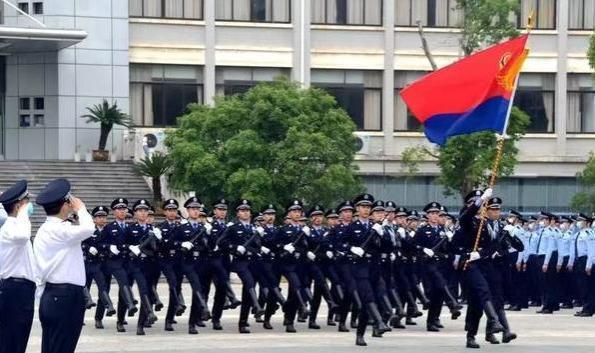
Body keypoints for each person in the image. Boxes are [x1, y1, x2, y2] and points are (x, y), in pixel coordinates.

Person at [33, 178, 95, 353]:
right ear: (65, 205)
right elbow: (89, 229)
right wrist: (81, 208)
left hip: (56, 295)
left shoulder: (51, 228)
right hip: (64, 296)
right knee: (62, 347)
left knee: (54, 347)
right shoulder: (58, 230)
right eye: (70, 201)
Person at [0, 180, 37, 353]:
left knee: (18, 341)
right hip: (14, 290)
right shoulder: (10, 227)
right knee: (12, 342)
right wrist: (23, 212)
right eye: (27, 201)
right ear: (18, 206)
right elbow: (22, 236)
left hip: (22, 290)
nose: (30, 204)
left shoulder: (16, 226)